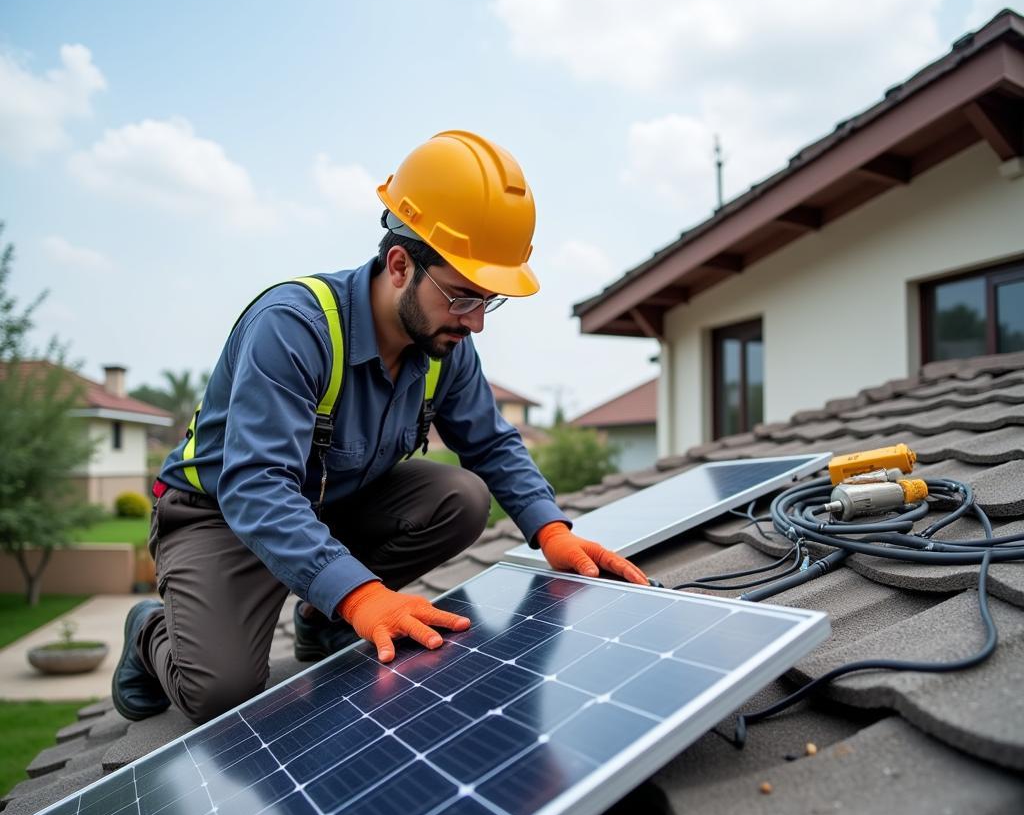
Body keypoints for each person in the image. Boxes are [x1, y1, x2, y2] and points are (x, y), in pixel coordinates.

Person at [112, 130, 648, 726]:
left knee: (460, 499)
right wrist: (365, 596)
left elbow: (492, 444)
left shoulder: (444, 347)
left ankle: (320, 618)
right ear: (399, 265)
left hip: (324, 506)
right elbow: (256, 487)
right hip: (219, 515)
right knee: (223, 693)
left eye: (489, 301)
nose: (475, 322)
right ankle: (151, 631)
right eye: (463, 297)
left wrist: (551, 531)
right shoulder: (293, 328)